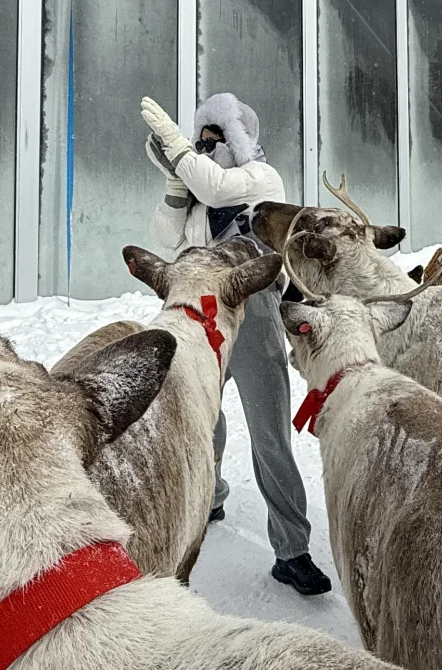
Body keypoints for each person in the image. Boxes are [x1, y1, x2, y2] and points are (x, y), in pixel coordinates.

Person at [139, 92, 332, 597]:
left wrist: (179, 148)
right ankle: (212, 495)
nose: (206, 149)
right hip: (203, 313)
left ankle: (292, 550)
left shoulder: (260, 179)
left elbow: (218, 185)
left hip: (254, 309)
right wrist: (174, 187)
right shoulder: (199, 190)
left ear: (240, 139)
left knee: (270, 434)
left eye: (215, 140)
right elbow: (166, 237)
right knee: (202, 417)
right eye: (201, 141)